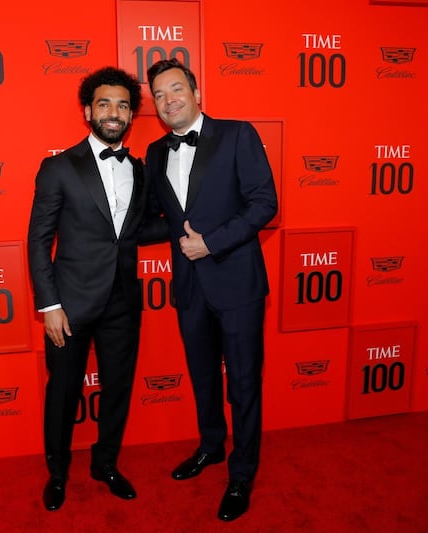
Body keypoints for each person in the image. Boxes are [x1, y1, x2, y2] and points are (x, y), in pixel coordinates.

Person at [144, 58, 278, 522]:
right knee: (204, 377)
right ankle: (211, 447)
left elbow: (266, 203)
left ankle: (241, 473)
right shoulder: (155, 153)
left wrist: (212, 243)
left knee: (242, 382)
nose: (168, 100)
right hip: (189, 286)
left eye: (176, 89)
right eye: (159, 95)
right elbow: (159, 220)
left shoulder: (238, 134)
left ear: (197, 92)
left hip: (237, 282)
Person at [27, 66, 147, 512]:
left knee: (117, 387)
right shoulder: (59, 167)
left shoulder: (139, 168)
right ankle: (58, 472)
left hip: (122, 301)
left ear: (131, 115)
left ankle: (106, 464)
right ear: (87, 111)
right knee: (63, 391)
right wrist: (50, 305)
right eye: (104, 103)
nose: (113, 112)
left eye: (122, 105)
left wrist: (194, 229)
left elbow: (133, 231)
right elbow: (39, 239)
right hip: (70, 303)